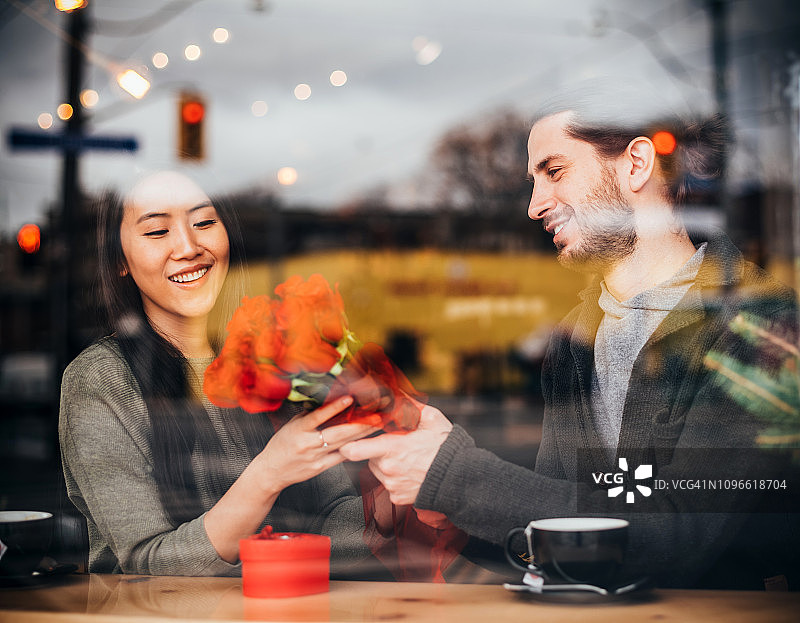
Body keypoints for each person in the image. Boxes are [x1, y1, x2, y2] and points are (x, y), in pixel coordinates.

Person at [341, 83, 800, 590]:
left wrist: (456, 477)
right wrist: (455, 515)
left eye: (554, 172)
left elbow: (676, 537)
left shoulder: (759, 327)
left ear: (637, 164)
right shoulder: (577, 339)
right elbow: (568, 523)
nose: (535, 206)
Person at [59, 170, 377, 576]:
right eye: (157, 231)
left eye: (205, 222)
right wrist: (269, 473)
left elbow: (338, 514)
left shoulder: (271, 354)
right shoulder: (100, 381)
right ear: (121, 260)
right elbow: (147, 565)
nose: (189, 247)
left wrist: (399, 497)